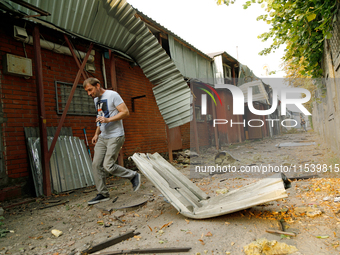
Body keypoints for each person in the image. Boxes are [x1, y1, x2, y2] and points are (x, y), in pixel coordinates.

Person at [83, 77, 141, 205]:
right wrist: (96, 133)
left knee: (108, 165)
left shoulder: (112, 95)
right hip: (103, 136)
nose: (89, 93)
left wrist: (108, 120)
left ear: (98, 86)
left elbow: (125, 113)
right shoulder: (96, 100)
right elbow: (100, 117)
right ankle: (102, 193)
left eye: (90, 90)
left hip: (115, 136)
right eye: (87, 91)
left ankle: (132, 175)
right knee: (96, 164)